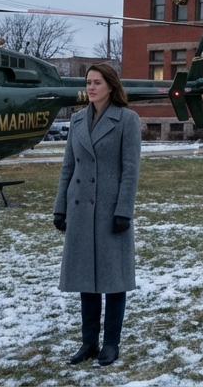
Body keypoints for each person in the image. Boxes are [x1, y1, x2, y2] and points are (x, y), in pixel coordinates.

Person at [53, 64, 141, 368]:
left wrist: (123, 211)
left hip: (109, 211)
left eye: (97, 82)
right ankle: (88, 343)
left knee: (113, 280)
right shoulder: (77, 120)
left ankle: (111, 344)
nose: (91, 88)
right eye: (88, 83)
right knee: (85, 281)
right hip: (79, 210)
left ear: (111, 85)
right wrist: (60, 207)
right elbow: (68, 168)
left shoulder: (127, 120)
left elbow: (130, 170)